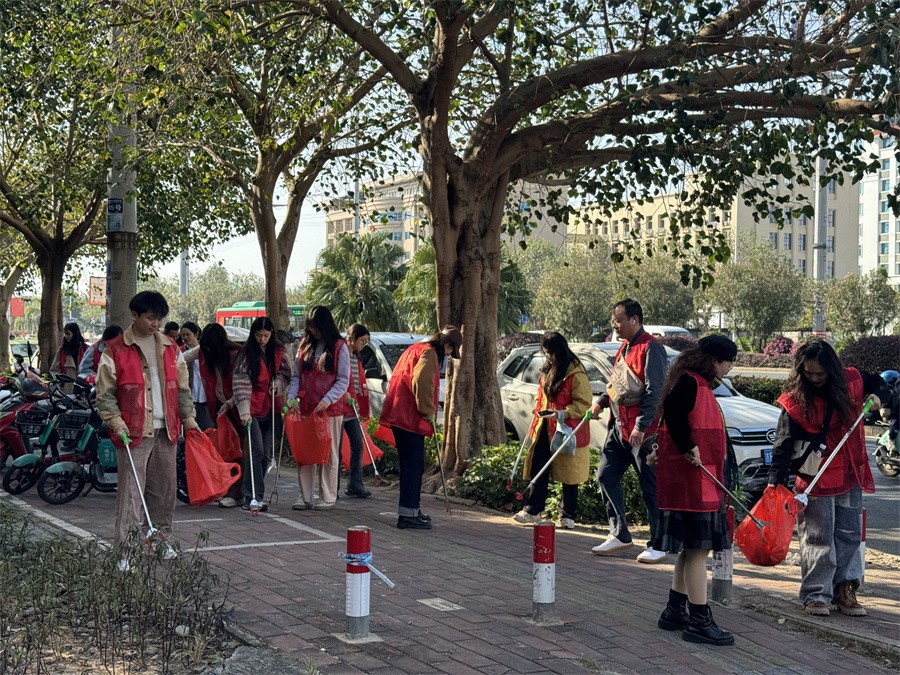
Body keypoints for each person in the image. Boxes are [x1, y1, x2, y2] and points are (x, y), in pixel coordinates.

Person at [768, 340, 884, 617]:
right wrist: (775, 481)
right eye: (808, 373)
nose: (815, 379)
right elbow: (784, 442)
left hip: (850, 471)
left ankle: (845, 588)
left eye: (820, 373)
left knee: (849, 534)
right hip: (815, 477)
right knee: (818, 537)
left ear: (832, 369)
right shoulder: (795, 400)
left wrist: (880, 397)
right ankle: (817, 593)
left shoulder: (853, 380)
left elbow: (882, 384)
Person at [95, 291, 198, 558]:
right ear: (134, 315)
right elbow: (105, 394)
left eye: (159, 319)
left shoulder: (170, 347)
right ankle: (125, 551)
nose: (156, 324)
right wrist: (116, 422)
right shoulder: (115, 349)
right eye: (151, 318)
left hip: (167, 431)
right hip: (133, 432)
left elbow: (182, 388)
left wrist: (188, 418)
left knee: (164, 492)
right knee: (131, 494)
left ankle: (160, 541)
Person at [652, 335, 738, 646]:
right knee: (699, 553)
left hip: (697, 480)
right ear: (715, 360)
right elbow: (674, 413)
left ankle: (675, 611)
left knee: (691, 550)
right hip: (693, 482)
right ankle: (700, 620)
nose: (729, 369)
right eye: (728, 362)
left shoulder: (694, 382)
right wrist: (688, 446)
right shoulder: (690, 382)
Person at [591, 299, 668, 562]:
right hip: (619, 427)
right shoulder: (624, 347)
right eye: (613, 320)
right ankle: (620, 534)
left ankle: (659, 543)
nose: (614, 325)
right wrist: (602, 401)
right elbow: (617, 384)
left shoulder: (651, 348)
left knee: (650, 486)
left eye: (618, 320)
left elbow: (654, 391)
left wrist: (641, 425)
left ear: (634, 320)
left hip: (642, 432)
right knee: (605, 475)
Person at [379, 326, 462, 530]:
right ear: (448, 345)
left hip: (399, 413)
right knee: (413, 466)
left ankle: (412, 510)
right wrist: (427, 410)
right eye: (451, 350)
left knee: (410, 465)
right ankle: (408, 514)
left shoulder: (415, 348)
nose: (449, 355)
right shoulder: (430, 353)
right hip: (409, 417)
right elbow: (422, 382)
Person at [512, 331, 591, 529]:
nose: (547, 357)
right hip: (545, 426)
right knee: (539, 466)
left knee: (569, 473)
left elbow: (583, 404)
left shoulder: (576, 373)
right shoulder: (547, 369)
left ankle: (568, 515)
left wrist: (562, 413)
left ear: (559, 350)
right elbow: (541, 395)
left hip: (567, 429)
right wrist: (538, 409)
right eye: (545, 353)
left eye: (550, 353)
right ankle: (533, 510)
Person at [286, 306, 349, 511]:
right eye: (310, 328)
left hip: (329, 411)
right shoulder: (305, 345)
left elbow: (343, 380)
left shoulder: (339, 347)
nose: (313, 332)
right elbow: (297, 376)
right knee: (305, 453)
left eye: (316, 328)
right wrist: (291, 396)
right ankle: (305, 497)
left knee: (329, 453)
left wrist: (328, 399)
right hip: (306, 408)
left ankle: (328, 496)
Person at [233, 316, 292, 511]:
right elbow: (240, 381)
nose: (262, 339)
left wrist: (279, 384)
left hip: (271, 406)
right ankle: (251, 495)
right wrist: (244, 410)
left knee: (266, 454)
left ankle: (255, 492)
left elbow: (286, 373)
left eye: (266, 335)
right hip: (251, 408)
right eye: (259, 335)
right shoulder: (245, 354)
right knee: (256, 450)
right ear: (253, 334)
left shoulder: (278, 352)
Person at [184, 323, 244, 508]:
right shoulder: (203, 351)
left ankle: (236, 493)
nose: (206, 351)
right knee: (221, 448)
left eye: (209, 347)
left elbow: (243, 386)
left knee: (237, 450)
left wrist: (230, 403)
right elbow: (182, 358)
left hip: (238, 407)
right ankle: (223, 488)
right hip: (219, 407)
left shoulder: (235, 355)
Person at [343, 323, 372, 498]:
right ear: (353, 338)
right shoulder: (342, 353)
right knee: (335, 448)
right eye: (362, 340)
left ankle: (355, 484)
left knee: (358, 445)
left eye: (365, 341)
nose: (363, 344)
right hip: (339, 407)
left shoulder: (356, 357)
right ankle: (331, 488)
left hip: (352, 409)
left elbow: (359, 381)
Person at [179, 322, 213, 430]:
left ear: (196, 334)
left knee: (207, 428)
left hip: (205, 396)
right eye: (183, 335)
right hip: (190, 396)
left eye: (188, 334)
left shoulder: (206, 350)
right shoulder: (180, 352)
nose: (185, 337)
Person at [51, 322, 88, 391]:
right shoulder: (62, 351)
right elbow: (54, 370)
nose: (66, 336)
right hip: (66, 388)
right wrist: (60, 380)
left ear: (75, 334)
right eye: (65, 334)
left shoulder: (85, 349)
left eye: (68, 334)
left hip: (83, 387)